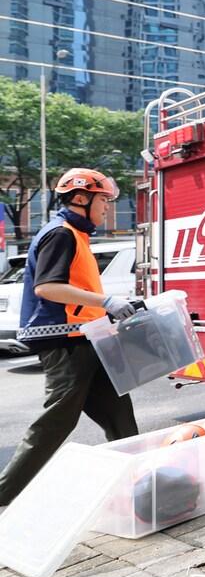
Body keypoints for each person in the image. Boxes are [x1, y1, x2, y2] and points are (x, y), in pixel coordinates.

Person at [0, 169, 139, 506]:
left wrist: (108, 310)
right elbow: (47, 287)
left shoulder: (76, 234)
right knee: (56, 422)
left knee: (120, 418)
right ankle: (3, 493)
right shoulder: (60, 234)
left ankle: (136, 486)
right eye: (103, 200)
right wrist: (106, 301)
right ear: (80, 198)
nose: (107, 207)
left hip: (86, 339)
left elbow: (77, 291)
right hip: (65, 342)